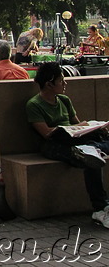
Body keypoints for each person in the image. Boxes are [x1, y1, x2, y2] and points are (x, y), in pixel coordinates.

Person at [26, 62, 109, 229]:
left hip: (76, 139)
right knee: (90, 159)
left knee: (95, 146)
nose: (65, 83)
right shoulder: (34, 104)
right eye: (61, 81)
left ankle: (93, 149)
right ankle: (100, 208)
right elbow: (46, 133)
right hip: (54, 144)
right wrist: (67, 129)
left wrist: (92, 127)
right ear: (49, 84)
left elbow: (78, 125)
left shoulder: (64, 100)